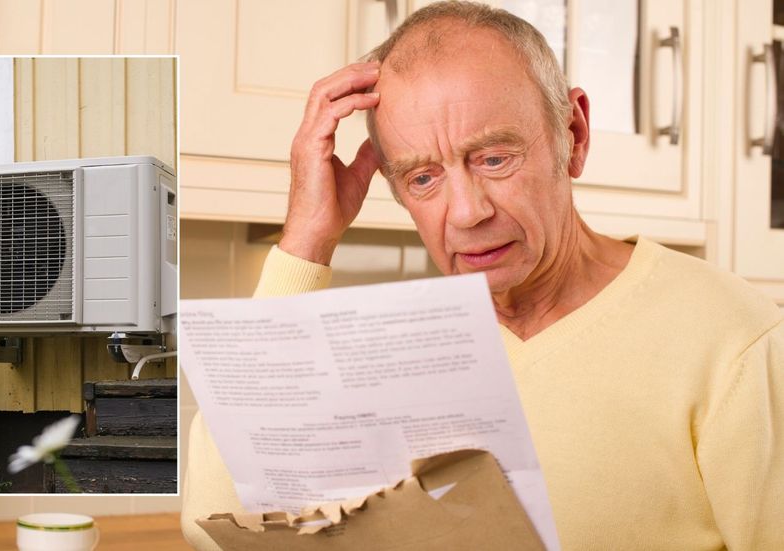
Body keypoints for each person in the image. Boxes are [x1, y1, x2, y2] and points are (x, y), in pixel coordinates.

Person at [181, 2, 784, 549]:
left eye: (494, 158)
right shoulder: (393, 350)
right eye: (423, 178)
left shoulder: (736, 341)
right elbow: (213, 522)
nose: (468, 212)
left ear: (572, 136)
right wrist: (306, 240)